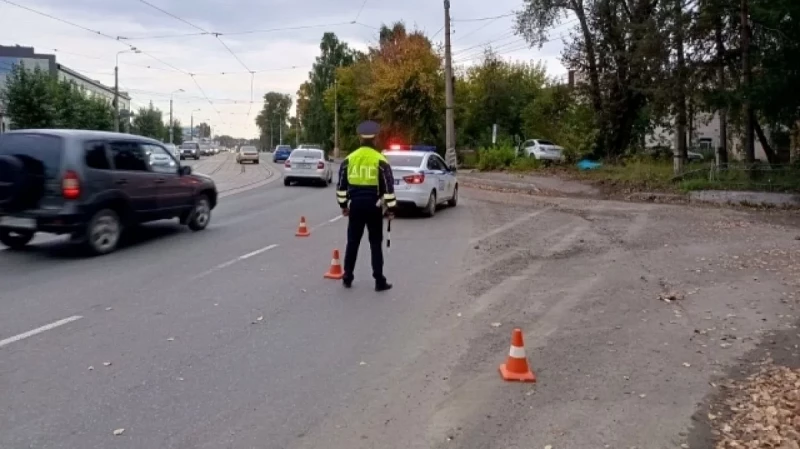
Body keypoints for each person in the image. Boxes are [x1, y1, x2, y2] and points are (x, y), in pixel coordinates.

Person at [335, 120, 397, 291]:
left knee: (352, 242)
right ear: (375, 139)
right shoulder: (380, 160)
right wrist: (391, 209)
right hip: (374, 206)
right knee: (375, 243)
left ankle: (347, 276)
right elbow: (388, 188)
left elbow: (341, 187)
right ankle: (379, 280)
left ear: (359, 139)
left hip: (355, 206)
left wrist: (344, 205)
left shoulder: (349, 160)